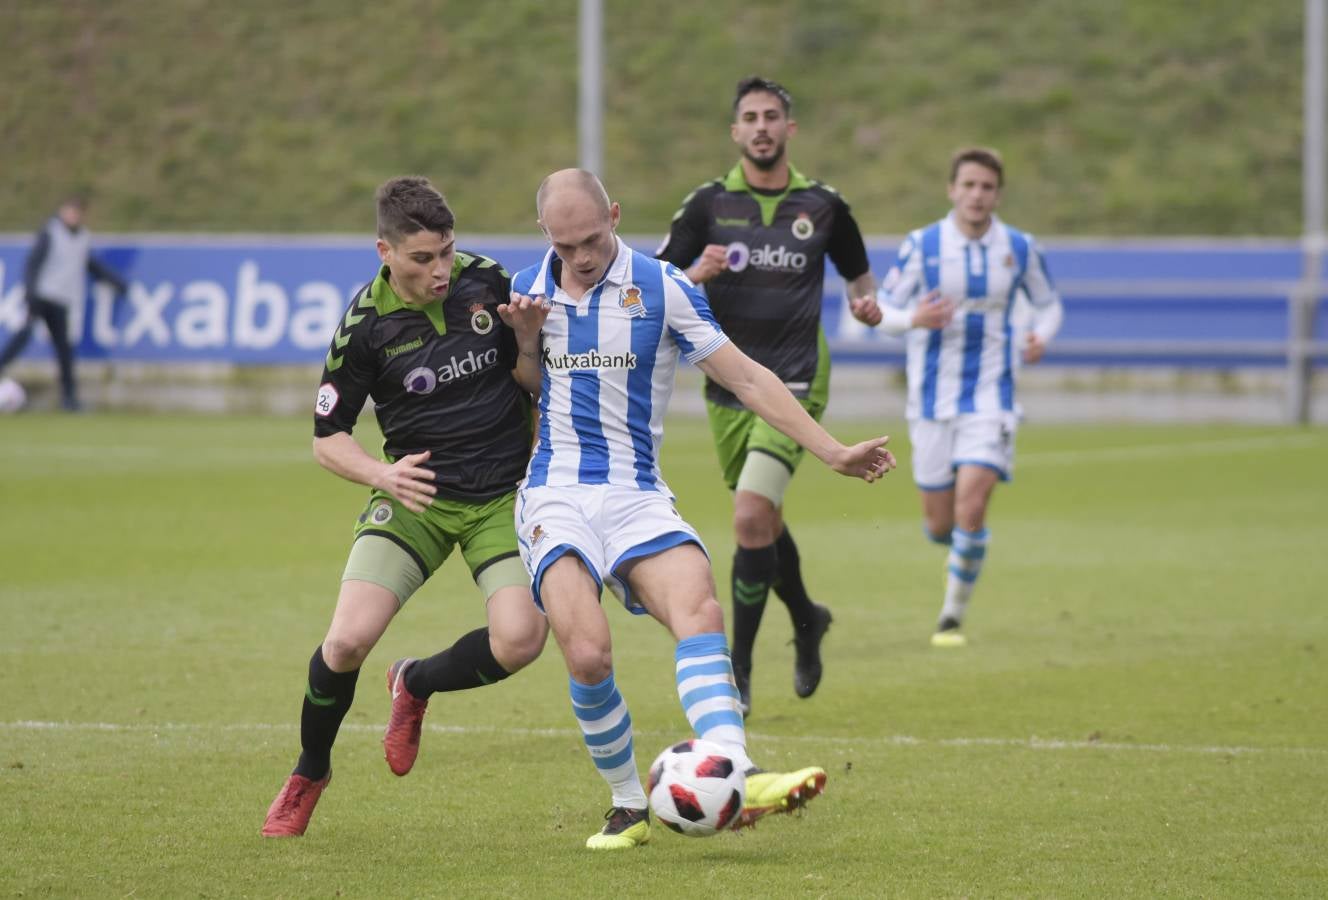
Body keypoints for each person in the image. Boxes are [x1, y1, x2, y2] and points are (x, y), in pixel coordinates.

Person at [505, 168, 895, 850]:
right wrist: (526, 342)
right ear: (546, 236)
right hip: (554, 494)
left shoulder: (663, 286)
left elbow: (745, 375)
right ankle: (628, 803)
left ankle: (737, 775)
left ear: (616, 216)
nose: (582, 257)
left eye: (592, 239)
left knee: (700, 611)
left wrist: (831, 451)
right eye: (565, 246)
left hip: (637, 493)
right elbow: (524, 385)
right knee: (590, 654)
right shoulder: (524, 291)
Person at [261, 176, 549, 837]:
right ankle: (309, 771)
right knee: (345, 642)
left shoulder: (490, 282)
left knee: (522, 641)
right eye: (423, 259)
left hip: (502, 494)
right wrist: (382, 475)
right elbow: (327, 440)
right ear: (384, 251)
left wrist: (528, 345)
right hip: (416, 497)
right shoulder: (364, 326)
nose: (441, 270)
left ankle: (415, 683)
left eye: (446, 251)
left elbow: (533, 384)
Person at [656, 76, 882, 717]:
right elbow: (655, 280)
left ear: (790, 129)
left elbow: (860, 274)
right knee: (766, 524)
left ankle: (740, 672)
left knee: (751, 516)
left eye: (772, 116)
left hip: (798, 379)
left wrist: (867, 305)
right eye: (750, 117)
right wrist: (697, 272)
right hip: (729, 387)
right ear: (735, 132)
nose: (761, 126)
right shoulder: (705, 206)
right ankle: (808, 618)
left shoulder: (823, 204)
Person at [877, 147, 1064, 647]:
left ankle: (950, 617)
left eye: (987, 187)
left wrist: (1041, 336)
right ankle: (960, 553)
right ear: (952, 190)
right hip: (931, 404)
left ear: (997, 195)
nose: (977, 195)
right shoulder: (924, 245)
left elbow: (1048, 306)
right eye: (969, 185)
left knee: (972, 508)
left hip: (992, 398)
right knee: (941, 525)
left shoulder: (1020, 249)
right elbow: (882, 310)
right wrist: (912, 319)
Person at [0, 195, 128, 411]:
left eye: (77, 212)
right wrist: (30, 293)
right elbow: (33, 264)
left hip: (62, 301)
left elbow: (90, 265)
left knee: (65, 350)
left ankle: (69, 399)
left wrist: (116, 282)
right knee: (23, 335)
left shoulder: (83, 238)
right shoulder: (50, 233)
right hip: (41, 296)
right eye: (70, 211)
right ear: (62, 211)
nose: (73, 215)